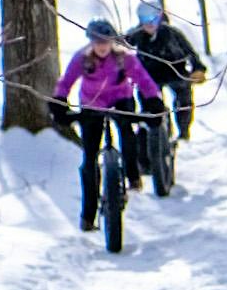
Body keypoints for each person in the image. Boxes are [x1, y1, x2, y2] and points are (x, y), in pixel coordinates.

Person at [58, 29, 162, 251]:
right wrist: (58, 103)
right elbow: (66, 82)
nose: (102, 46)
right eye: (97, 41)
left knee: (127, 134)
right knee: (89, 158)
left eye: (106, 41)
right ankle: (88, 214)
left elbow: (144, 80)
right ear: (91, 42)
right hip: (92, 104)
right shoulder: (82, 58)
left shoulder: (124, 58)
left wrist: (154, 100)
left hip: (120, 100)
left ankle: (133, 175)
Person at [127, 0, 208, 166]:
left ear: (160, 18)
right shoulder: (137, 34)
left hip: (175, 71)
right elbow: (121, 45)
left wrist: (198, 68)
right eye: (144, 20)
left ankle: (183, 130)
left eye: (153, 19)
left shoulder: (172, 33)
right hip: (150, 74)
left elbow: (190, 52)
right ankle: (154, 135)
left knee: (183, 98)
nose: (149, 24)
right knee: (148, 102)